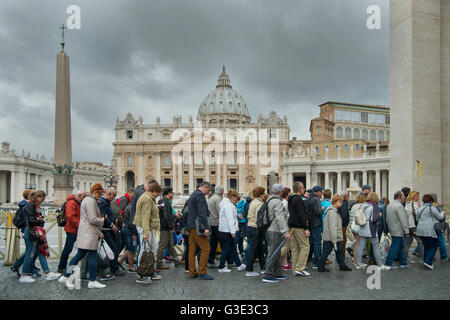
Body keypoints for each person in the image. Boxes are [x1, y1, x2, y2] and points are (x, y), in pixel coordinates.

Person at [58, 184, 106, 289]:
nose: (100, 196)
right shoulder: (90, 201)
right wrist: (102, 220)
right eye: (100, 194)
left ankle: (66, 276)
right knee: (92, 255)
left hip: (86, 232)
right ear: (95, 192)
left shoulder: (87, 200)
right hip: (89, 233)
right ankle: (92, 280)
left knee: (79, 255)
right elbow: (92, 219)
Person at [19, 190, 60, 283]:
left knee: (41, 253)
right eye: (42, 198)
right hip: (32, 232)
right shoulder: (30, 206)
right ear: (37, 197)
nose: (43, 200)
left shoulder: (35, 205)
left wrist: (39, 220)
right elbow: (31, 220)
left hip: (36, 231)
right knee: (30, 254)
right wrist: (40, 220)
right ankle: (24, 275)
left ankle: (48, 273)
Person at [134, 181, 163, 283]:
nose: (158, 195)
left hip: (147, 227)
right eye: (158, 193)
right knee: (144, 250)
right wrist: (146, 233)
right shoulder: (147, 199)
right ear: (154, 191)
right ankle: (141, 274)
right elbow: (145, 217)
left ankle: (150, 271)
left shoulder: (149, 198)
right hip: (144, 227)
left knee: (153, 248)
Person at [263, 184, 290, 283]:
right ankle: (268, 274)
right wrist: (285, 231)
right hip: (275, 230)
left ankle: (277, 272)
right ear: (280, 191)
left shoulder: (269, 200)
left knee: (277, 252)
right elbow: (280, 217)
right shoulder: (278, 202)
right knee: (273, 252)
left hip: (270, 229)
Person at [10, 189, 41, 277]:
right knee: (30, 252)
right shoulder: (28, 206)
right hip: (28, 230)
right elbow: (30, 220)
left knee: (30, 251)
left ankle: (20, 267)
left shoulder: (24, 205)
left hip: (25, 230)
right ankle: (26, 270)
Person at [186, 182, 214, 280]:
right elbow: (202, 213)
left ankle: (192, 272)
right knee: (206, 248)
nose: (208, 192)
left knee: (192, 250)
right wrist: (206, 228)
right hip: (198, 226)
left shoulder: (193, 194)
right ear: (205, 187)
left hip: (191, 225)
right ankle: (202, 271)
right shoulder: (200, 196)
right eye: (208, 190)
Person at [317, 194, 352, 272]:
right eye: (340, 202)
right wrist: (334, 239)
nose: (341, 204)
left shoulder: (333, 210)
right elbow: (333, 226)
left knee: (338, 251)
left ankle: (342, 265)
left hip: (332, 236)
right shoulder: (332, 212)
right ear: (335, 202)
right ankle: (321, 266)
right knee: (326, 251)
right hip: (331, 237)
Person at [355, 192, 389, 270]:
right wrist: (379, 215)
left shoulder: (363, 205)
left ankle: (358, 263)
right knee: (376, 246)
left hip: (363, 227)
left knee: (361, 246)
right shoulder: (375, 207)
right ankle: (380, 264)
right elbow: (374, 219)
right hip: (371, 228)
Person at [98, 187, 125, 280]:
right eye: (114, 196)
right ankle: (114, 268)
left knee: (112, 249)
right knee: (112, 249)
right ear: (109, 194)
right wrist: (111, 225)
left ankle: (110, 267)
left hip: (108, 229)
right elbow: (102, 217)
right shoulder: (103, 203)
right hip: (106, 230)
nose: (114, 199)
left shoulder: (106, 202)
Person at [57, 190, 87, 274]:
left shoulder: (76, 202)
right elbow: (70, 217)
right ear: (79, 195)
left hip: (76, 229)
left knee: (78, 249)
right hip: (72, 229)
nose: (84, 199)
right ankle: (62, 267)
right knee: (68, 249)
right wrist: (81, 224)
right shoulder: (72, 203)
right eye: (83, 197)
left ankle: (69, 266)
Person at [217, 190, 246, 273]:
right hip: (228, 231)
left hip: (225, 230)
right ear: (233, 197)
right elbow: (230, 220)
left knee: (233, 248)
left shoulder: (225, 204)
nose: (236, 201)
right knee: (226, 249)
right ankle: (221, 266)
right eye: (236, 198)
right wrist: (233, 232)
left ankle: (239, 265)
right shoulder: (229, 206)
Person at [416, 194, 446, 270]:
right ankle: (428, 262)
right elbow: (440, 217)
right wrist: (443, 213)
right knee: (434, 245)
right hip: (429, 229)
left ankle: (426, 261)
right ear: (431, 201)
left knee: (426, 246)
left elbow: (417, 219)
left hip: (420, 229)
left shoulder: (420, 208)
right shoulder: (431, 208)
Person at [287, 182, 311, 276]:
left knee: (294, 248)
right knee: (305, 246)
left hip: (291, 225)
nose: (304, 189)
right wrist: (306, 228)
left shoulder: (291, 198)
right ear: (299, 189)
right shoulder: (298, 199)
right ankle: (300, 268)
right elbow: (301, 214)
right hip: (299, 226)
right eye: (303, 187)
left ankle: (295, 268)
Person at [156, 187, 181, 269]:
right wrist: (171, 227)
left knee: (170, 245)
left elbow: (167, 215)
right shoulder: (165, 202)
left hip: (165, 226)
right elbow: (166, 216)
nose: (173, 194)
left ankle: (176, 261)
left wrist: (174, 216)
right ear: (169, 193)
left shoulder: (162, 202)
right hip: (165, 227)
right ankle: (159, 263)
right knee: (162, 246)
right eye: (172, 192)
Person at [384, 191, 411, 268]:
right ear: (399, 197)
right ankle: (388, 263)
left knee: (400, 247)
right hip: (398, 230)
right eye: (403, 196)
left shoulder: (389, 205)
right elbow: (403, 220)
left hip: (392, 228)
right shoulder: (399, 206)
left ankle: (403, 262)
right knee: (395, 247)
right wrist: (406, 231)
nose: (404, 197)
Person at [245, 187, 267, 277]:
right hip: (256, 227)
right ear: (261, 194)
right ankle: (249, 270)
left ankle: (263, 268)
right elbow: (260, 217)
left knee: (259, 248)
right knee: (253, 249)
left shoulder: (253, 202)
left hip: (250, 226)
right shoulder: (259, 203)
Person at [306, 186, 324, 269]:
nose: (322, 194)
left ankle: (308, 257)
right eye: (321, 192)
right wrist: (322, 209)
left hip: (310, 223)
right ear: (318, 192)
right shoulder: (316, 199)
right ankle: (316, 261)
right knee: (317, 242)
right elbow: (318, 212)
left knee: (311, 242)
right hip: (316, 223)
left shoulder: (308, 198)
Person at [118, 201, 139, 273]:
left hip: (125, 228)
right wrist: (134, 234)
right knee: (132, 248)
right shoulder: (133, 208)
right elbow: (132, 222)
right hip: (130, 230)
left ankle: (120, 262)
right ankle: (131, 267)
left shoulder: (129, 205)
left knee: (130, 248)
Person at [207, 185, 224, 268]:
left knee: (213, 243)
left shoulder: (211, 198)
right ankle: (225, 261)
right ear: (221, 191)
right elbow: (220, 212)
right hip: (217, 223)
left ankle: (210, 260)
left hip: (211, 223)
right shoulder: (218, 199)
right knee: (222, 242)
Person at [403, 190, 421, 263]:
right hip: (414, 226)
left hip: (408, 227)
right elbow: (419, 217)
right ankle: (421, 258)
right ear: (415, 197)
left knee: (407, 243)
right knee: (421, 242)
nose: (418, 198)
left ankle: (405, 258)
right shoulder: (416, 206)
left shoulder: (406, 205)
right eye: (417, 196)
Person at [348, 193, 366, 266]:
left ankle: (356, 260)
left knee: (357, 243)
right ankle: (357, 261)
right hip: (358, 227)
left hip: (352, 226)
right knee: (359, 244)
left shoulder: (354, 206)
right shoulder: (362, 206)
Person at [430, 193, 449, 262]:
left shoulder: (427, 206)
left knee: (430, 241)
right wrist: (442, 213)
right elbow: (442, 218)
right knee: (441, 241)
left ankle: (431, 256)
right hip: (438, 226)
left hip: (430, 226)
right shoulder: (438, 206)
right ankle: (444, 256)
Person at [280, 187, 291, 270]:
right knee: (287, 246)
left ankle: (285, 264)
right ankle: (273, 259)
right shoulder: (285, 203)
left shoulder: (283, 202)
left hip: (283, 226)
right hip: (285, 226)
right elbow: (286, 215)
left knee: (284, 245)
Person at [338, 191, 350, 258]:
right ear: (346, 196)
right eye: (348, 195)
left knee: (342, 239)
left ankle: (341, 254)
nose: (349, 197)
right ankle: (342, 254)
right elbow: (343, 214)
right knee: (343, 239)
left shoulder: (342, 202)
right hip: (343, 224)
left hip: (342, 223)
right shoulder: (344, 203)